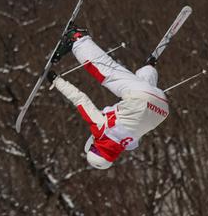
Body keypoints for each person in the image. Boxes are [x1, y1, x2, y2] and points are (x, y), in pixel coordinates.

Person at [47, 25, 171, 170]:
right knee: (107, 72)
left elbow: (143, 105)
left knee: (140, 95)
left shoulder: (129, 144)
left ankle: (149, 69)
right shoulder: (102, 131)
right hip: (140, 97)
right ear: (95, 148)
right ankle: (77, 39)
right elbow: (80, 99)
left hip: (161, 107)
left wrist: (149, 67)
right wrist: (56, 81)